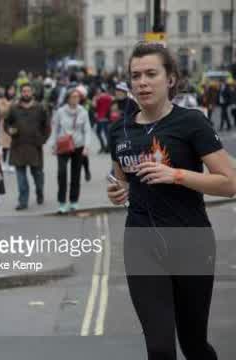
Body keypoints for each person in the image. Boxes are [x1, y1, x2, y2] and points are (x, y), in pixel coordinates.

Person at [107, 42, 236, 360]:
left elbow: (229, 183)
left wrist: (177, 175)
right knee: (161, 348)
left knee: (193, 345)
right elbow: (120, 181)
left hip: (191, 241)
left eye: (151, 74)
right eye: (136, 76)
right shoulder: (118, 130)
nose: (142, 82)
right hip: (141, 243)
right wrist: (116, 192)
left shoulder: (192, 122)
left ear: (171, 79)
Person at [49, 87, 93, 214]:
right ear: (67, 98)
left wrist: (86, 146)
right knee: (62, 173)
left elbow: (87, 130)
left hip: (78, 146)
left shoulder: (83, 112)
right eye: (73, 97)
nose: (75, 99)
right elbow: (55, 128)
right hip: (63, 146)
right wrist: (52, 145)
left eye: (77, 97)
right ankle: (62, 202)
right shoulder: (60, 112)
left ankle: (74, 201)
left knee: (76, 174)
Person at [6, 84, 50, 210]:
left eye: (28, 91)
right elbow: (7, 123)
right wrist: (10, 130)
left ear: (32, 93)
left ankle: (39, 192)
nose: (26, 93)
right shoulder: (14, 108)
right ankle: (23, 201)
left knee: (38, 175)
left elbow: (46, 125)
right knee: (21, 177)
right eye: (24, 91)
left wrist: (43, 139)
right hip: (18, 146)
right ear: (21, 93)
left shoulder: (39, 108)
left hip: (34, 147)